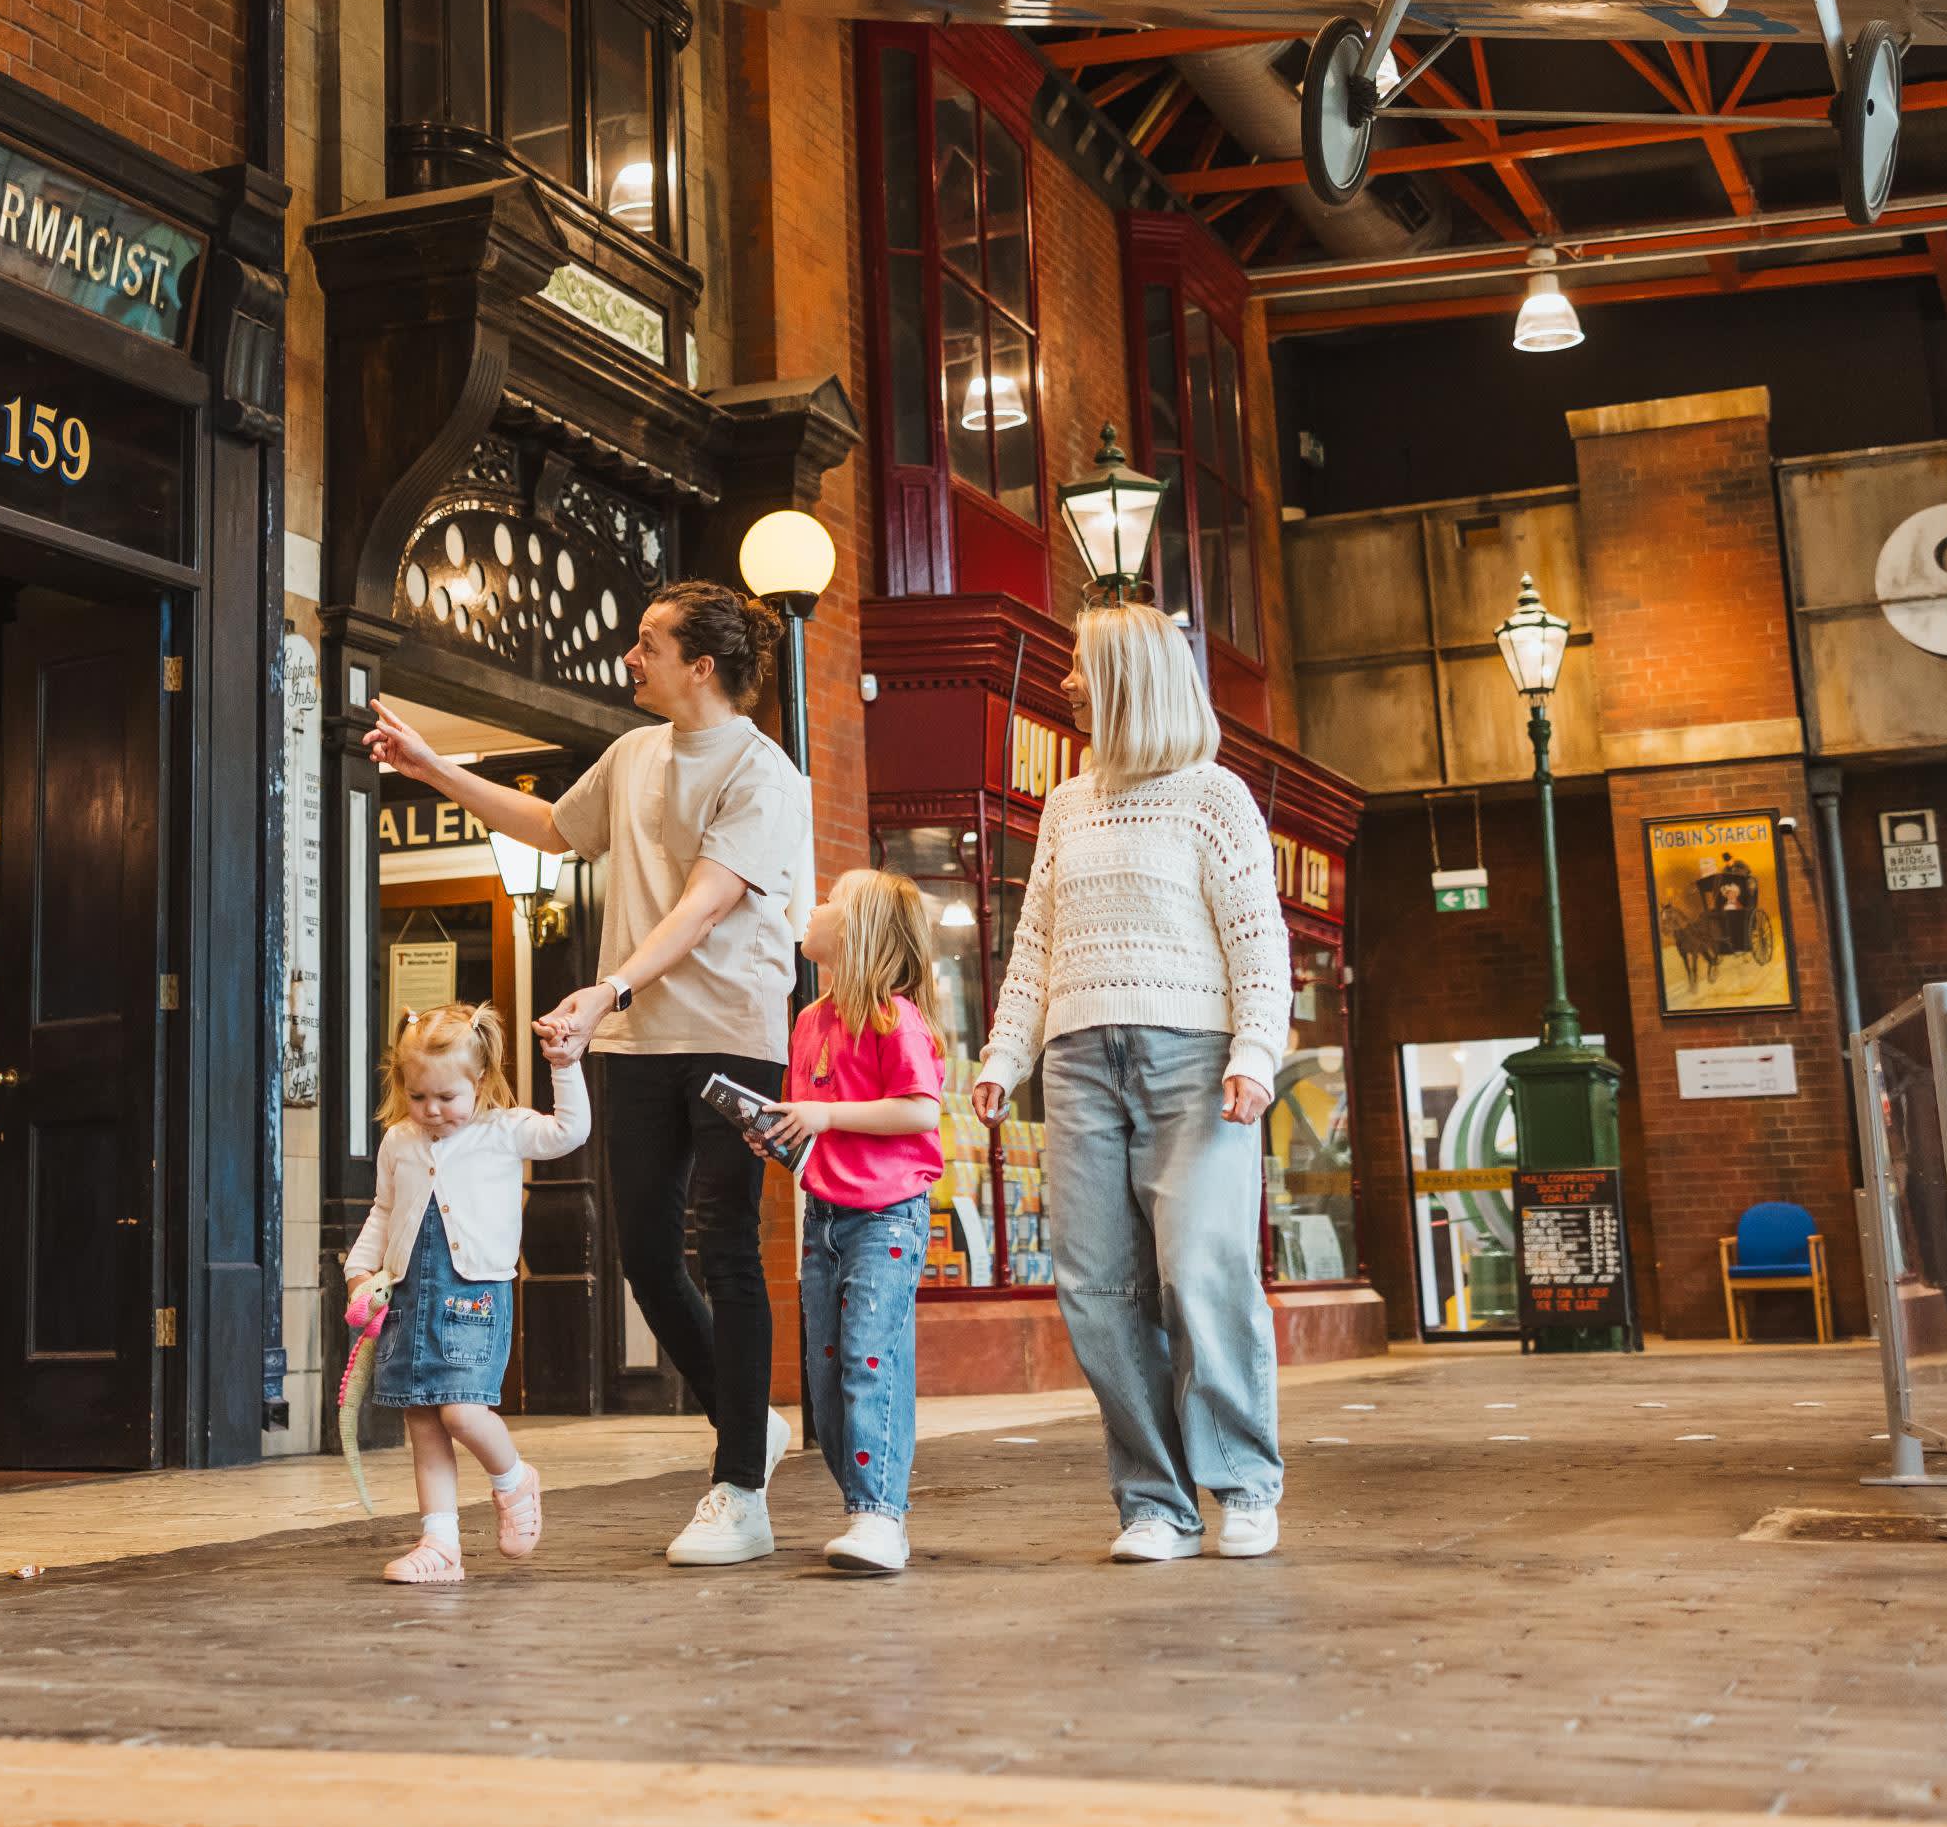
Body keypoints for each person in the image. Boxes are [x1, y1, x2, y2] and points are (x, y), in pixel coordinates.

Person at [365, 579, 815, 1566]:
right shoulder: (631, 754)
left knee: (728, 1249)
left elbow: (707, 902)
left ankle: (740, 1483)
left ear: (701, 663)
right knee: (647, 1254)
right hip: (636, 1039)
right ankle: (750, 1418)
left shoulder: (765, 775)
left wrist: (606, 984)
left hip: (733, 1034)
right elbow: (547, 828)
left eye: (647, 640)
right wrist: (436, 765)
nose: (629, 656)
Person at [971, 599, 1290, 1564]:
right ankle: (1156, 1503)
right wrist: (1002, 1057)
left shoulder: (1213, 795)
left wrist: (1255, 1056)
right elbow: (1035, 946)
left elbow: (1256, 941)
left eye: (1080, 665)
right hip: (1076, 1065)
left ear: (1131, 679)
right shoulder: (1066, 803)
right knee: (1098, 1288)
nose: (1066, 680)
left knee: (1200, 1268)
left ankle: (1241, 1481)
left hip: (1194, 1065)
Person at [342, 1000, 593, 1585]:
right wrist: (360, 1272)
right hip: (407, 1298)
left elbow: (570, 1131)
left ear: (478, 1081)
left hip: (473, 1298)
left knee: (461, 1410)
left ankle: (513, 1479)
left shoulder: (502, 1130)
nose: (432, 1111)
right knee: (423, 1421)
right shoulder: (399, 1141)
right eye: (419, 1096)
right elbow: (383, 1212)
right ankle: (441, 1544)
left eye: (446, 1097)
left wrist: (565, 1064)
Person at [766, 867, 948, 1576]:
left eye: (831, 900)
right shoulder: (810, 1023)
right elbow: (813, 1127)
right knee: (828, 1372)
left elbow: (920, 1109)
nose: (812, 910)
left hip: (887, 1220)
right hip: (824, 1219)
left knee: (871, 1363)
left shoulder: (893, 1018)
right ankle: (865, 1505)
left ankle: (878, 1515)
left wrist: (824, 1116)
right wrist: (781, 1133)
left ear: (859, 930)